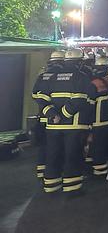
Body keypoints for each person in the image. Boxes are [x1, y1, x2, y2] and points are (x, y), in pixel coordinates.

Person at [39, 48, 94, 196]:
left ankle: (51, 186)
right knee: (72, 155)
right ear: (80, 63)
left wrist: (52, 114)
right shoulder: (81, 77)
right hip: (73, 126)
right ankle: (72, 188)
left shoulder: (51, 77)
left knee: (53, 154)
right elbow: (79, 100)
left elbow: (41, 99)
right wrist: (63, 115)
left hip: (52, 126)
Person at [31, 50, 66, 181]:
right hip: (57, 119)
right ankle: (57, 172)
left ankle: (42, 172)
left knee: (43, 146)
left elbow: (35, 95)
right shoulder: (61, 76)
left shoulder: (42, 75)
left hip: (43, 116)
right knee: (56, 146)